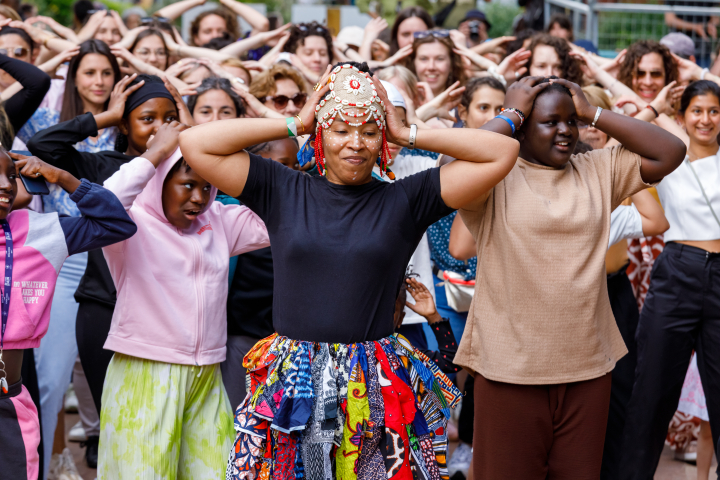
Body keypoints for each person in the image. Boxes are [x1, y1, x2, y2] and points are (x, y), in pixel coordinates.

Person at [180, 61, 522, 479]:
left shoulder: (407, 199)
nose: (355, 143)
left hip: (374, 378)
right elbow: (195, 143)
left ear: (382, 140)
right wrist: (294, 122)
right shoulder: (282, 188)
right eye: (341, 129)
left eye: (369, 131)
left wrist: (406, 132)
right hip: (294, 378)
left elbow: (502, 152)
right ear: (321, 136)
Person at [454, 75, 686, 478]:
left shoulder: (597, 169)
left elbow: (670, 151)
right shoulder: (495, 176)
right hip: (510, 371)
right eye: (550, 121)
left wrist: (593, 111)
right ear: (523, 127)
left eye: (571, 121)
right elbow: (455, 166)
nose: (565, 130)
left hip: (586, 371)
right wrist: (509, 113)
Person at [97, 116, 269, 478]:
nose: (198, 198)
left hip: (207, 376)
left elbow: (283, 215)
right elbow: (103, 202)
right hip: (145, 374)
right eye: (187, 184)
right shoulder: (129, 223)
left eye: (208, 187)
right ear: (161, 178)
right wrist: (157, 151)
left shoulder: (218, 221)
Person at [25, 73, 189, 434]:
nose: (160, 128)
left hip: (165, 316)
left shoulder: (192, 172)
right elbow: (42, 143)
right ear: (126, 127)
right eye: (147, 119)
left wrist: (188, 126)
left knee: (162, 428)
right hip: (103, 308)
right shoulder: (103, 166)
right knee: (118, 428)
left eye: (169, 118)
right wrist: (108, 115)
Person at [16, 38, 121, 477]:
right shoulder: (53, 119)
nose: (99, 81)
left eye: (107, 73)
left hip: (119, 258)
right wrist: (101, 117)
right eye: (89, 73)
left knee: (115, 381)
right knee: (51, 375)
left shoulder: (131, 127)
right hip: (64, 256)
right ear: (73, 79)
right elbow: (41, 143)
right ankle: (47, 459)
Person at [0, 150, 136, 480]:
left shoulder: (39, 231)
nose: (6, 184)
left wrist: (64, 178)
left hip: (7, 403)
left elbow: (115, 223)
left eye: (11, 175)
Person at [620, 80, 720, 479]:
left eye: (714, 110)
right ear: (681, 117)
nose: (706, 119)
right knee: (652, 392)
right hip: (678, 269)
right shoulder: (668, 159)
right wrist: (654, 105)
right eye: (697, 110)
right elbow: (620, 152)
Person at [409, 30, 466, 98]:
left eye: (439, 59)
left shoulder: (468, 104)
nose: (431, 67)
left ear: (452, 64)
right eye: (424, 59)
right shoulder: (402, 103)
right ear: (414, 63)